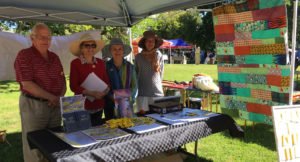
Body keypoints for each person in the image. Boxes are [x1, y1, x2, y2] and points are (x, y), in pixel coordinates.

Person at [14, 23, 66, 162]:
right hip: (34, 106)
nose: (46, 40)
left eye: (48, 37)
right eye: (42, 37)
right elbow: (27, 84)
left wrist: (59, 96)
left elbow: (62, 80)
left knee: (55, 143)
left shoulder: (54, 57)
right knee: (35, 145)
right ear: (32, 38)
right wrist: (52, 97)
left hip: (54, 106)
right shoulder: (24, 55)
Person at [69, 33, 110, 126]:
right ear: (81, 48)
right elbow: (73, 86)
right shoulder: (75, 63)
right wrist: (91, 93)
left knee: (97, 133)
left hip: (99, 105)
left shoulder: (100, 62)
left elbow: (107, 82)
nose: (90, 48)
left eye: (93, 45)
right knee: (84, 135)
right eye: (87, 45)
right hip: (82, 106)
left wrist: (104, 93)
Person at [102, 38, 137, 119]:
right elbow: (103, 85)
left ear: (123, 51)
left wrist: (125, 98)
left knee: (128, 128)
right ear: (110, 51)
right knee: (112, 129)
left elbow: (134, 86)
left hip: (126, 104)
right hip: (110, 105)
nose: (117, 51)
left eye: (120, 49)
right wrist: (112, 97)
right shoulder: (105, 66)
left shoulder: (130, 67)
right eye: (114, 49)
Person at [135, 30, 164, 113]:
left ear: (155, 43)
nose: (150, 43)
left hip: (157, 93)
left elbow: (161, 74)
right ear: (144, 42)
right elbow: (136, 74)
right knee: (143, 119)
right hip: (142, 94)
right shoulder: (138, 57)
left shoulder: (159, 55)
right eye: (148, 41)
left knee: (158, 119)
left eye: (152, 41)